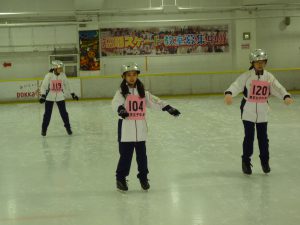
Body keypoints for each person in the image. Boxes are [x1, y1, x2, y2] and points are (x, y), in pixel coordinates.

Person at [112, 62, 181, 191]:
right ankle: (120, 179)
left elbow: (155, 101)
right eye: (129, 75)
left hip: (141, 130)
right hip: (126, 130)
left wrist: (167, 107)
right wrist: (121, 109)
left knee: (142, 157)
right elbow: (116, 103)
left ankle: (143, 177)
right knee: (125, 157)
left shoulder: (142, 92)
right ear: (124, 77)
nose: (132, 77)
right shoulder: (121, 92)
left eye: (134, 74)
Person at [224, 49, 293, 175]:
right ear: (252, 63)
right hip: (248, 110)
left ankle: (265, 161)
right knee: (249, 137)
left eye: (262, 62)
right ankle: (245, 161)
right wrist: (229, 93)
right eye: (257, 62)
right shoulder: (247, 76)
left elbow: (277, 87)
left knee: (263, 138)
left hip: (262, 110)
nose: (260, 64)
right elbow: (236, 85)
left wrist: (285, 96)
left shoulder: (268, 77)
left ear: (265, 62)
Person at [39, 60, 79, 136]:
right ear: (54, 68)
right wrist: (43, 95)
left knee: (64, 113)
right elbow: (43, 86)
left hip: (60, 96)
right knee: (47, 114)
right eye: (59, 68)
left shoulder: (63, 75)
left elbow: (68, 84)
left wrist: (72, 94)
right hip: (50, 97)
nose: (61, 69)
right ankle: (44, 129)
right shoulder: (49, 75)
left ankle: (68, 128)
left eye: (61, 68)